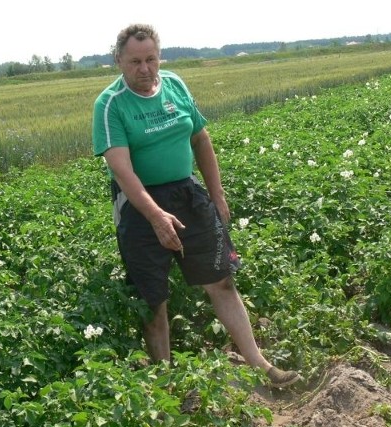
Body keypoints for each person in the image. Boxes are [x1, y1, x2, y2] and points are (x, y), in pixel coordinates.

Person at [92, 23, 300, 388]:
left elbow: (200, 139)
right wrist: (156, 216)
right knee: (153, 300)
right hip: (140, 206)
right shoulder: (110, 104)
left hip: (188, 194)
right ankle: (165, 385)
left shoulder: (174, 84)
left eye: (151, 59)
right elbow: (122, 171)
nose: (145, 69)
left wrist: (216, 196)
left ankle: (262, 366)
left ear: (160, 57)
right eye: (135, 62)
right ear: (119, 61)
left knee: (221, 280)